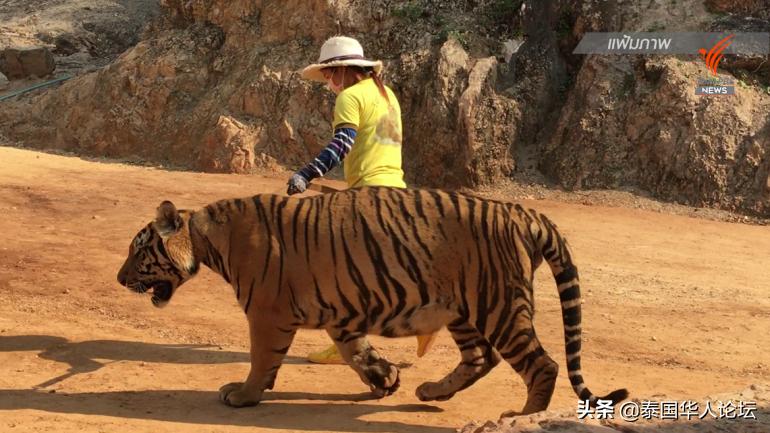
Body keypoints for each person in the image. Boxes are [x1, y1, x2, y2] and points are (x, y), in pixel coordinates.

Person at [288, 35, 437, 364]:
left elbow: (342, 145)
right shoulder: (387, 96)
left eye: (329, 75)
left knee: (331, 272)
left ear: (343, 70)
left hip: (368, 196)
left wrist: (307, 173)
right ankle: (424, 313)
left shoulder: (350, 97)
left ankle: (348, 344)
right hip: (396, 191)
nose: (328, 82)